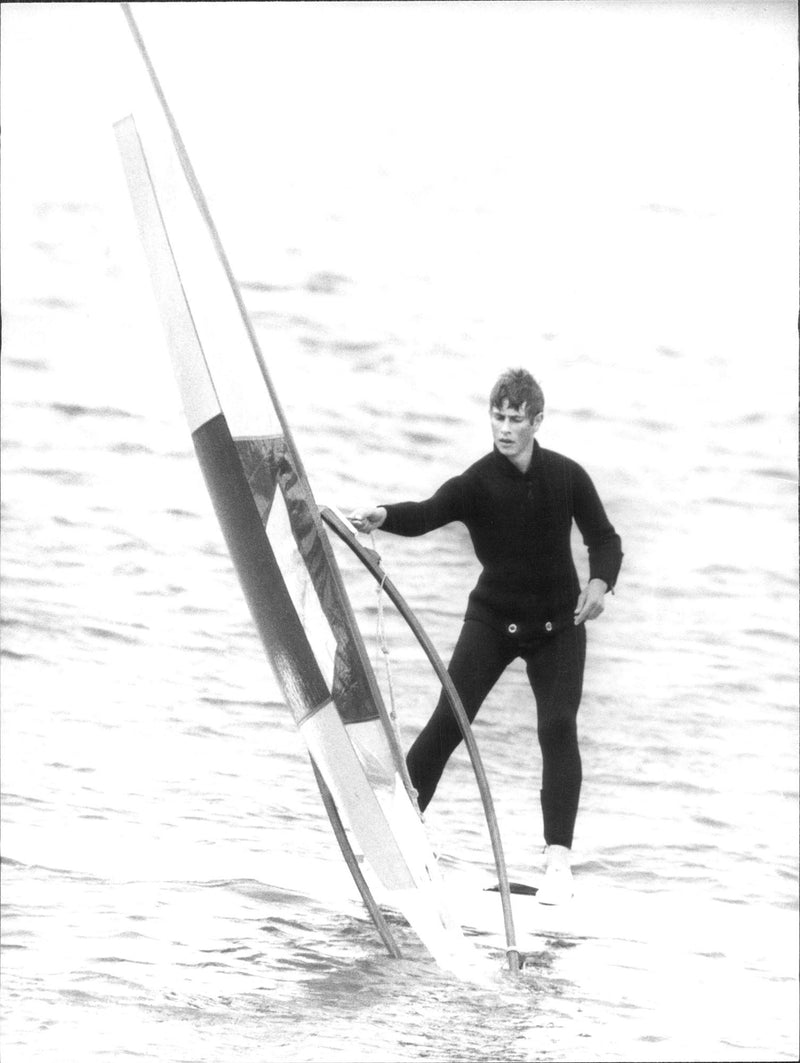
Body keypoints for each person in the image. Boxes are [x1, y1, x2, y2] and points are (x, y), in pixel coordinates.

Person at [349, 368, 622, 904]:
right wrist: (383, 516)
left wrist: (599, 582)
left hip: (556, 627)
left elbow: (604, 538)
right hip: (494, 620)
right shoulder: (477, 482)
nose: (504, 428)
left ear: (536, 421)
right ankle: (396, 835)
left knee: (558, 727)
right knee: (449, 720)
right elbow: (428, 512)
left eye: (515, 419)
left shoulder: (567, 477)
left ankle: (558, 866)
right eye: (497, 417)